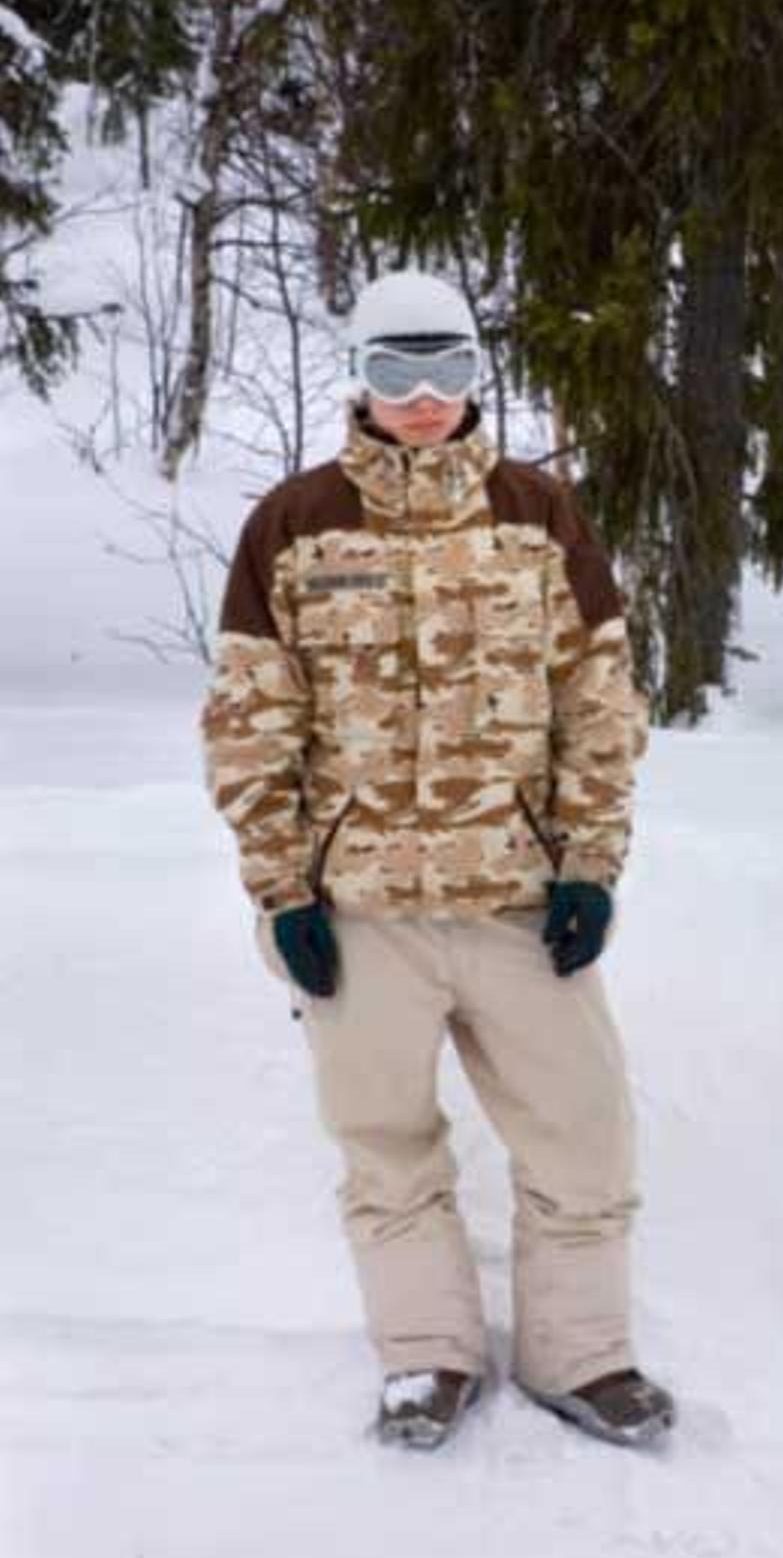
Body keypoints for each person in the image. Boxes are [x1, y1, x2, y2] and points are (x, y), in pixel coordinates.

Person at [200, 268, 674, 1451]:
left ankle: (582, 1352)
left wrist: (590, 865)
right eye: (394, 372)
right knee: (385, 1141)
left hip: (519, 897)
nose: (421, 400)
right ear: (359, 379)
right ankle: (427, 1355)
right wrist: (283, 889)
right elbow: (253, 716)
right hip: (359, 910)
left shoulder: (539, 513)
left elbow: (598, 699)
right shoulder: (295, 522)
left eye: (446, 370)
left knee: (582, 1125)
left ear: (477, 374)